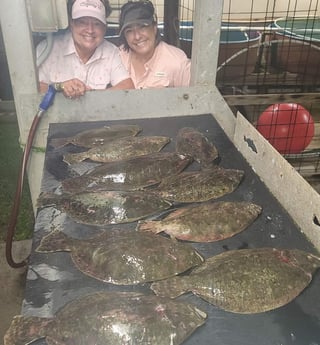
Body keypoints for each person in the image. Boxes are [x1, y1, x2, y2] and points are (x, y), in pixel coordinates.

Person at [37, 0, 134, 99]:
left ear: (105, 28)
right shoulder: (48, 49)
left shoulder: (111, 52)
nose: (90, 30)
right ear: (71, 23)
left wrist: (92, 94)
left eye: (96, 24)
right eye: (82, 22)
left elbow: (128, 87)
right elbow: (33, 87)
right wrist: (60, 87)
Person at [118, 0, 191, 89]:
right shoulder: (118, 57)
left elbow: (192, 99)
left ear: (155, 28)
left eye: (142, 27)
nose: (137, 36)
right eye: (129, 31)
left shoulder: (177, 61)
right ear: (124, 36)